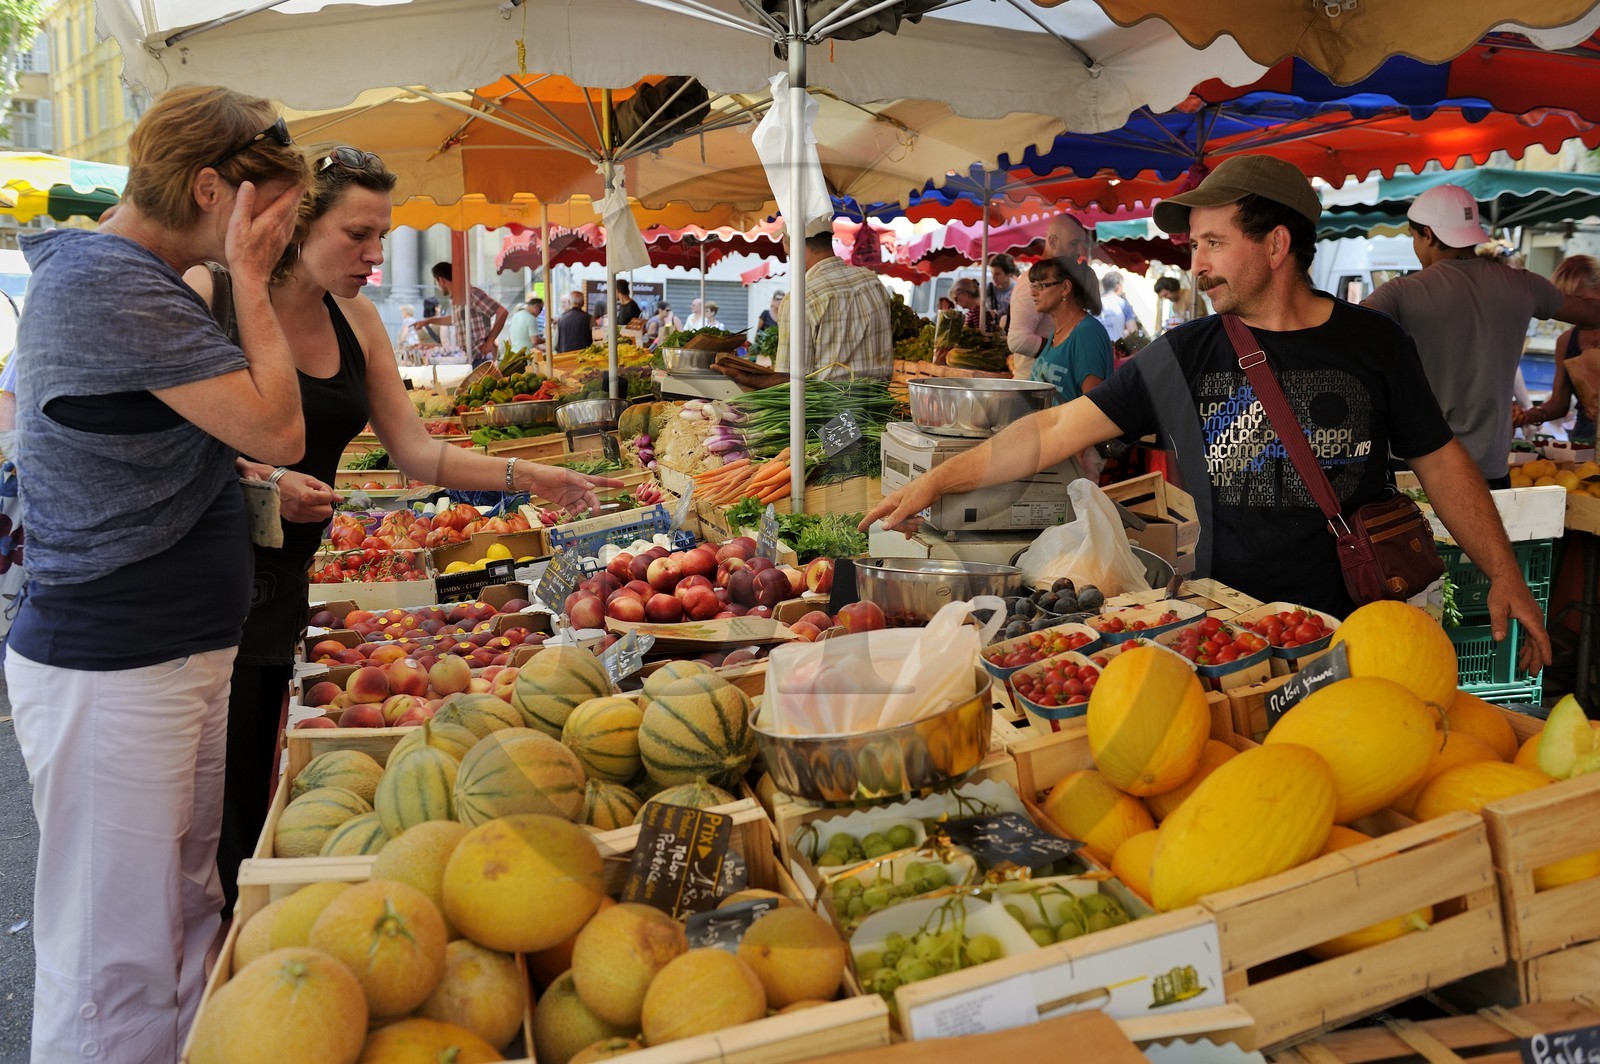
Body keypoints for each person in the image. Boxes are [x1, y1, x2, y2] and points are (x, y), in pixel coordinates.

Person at [865, 154, 1552, 674]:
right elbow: (1054, 429)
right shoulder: (1182, 355)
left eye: (1213, 243)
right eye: (1195, 246)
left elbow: (1439, 457)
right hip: (1231, 638)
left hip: (1357, 631)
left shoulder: (1373, 342)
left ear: (1277, 245)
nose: (1197, 265)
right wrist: (939, 479)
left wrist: (1503, 573)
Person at [187, 148, 620, 911]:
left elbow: (415, 451)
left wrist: (530, 476)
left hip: (289, 586)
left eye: (382, 236)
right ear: (296, 221)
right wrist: (258, 479)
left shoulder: (354, 318)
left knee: (256, 797)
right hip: (201, 591)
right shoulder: (211, 295)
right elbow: (163, 443)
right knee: (209, 822)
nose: (375, 255)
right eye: (358, 233)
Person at [6, 85, 309, 1063]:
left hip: (163, 650)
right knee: (112, 962)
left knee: (182, 916)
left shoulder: (133, 276)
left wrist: (249, 485)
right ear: (211, 186)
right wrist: (253, 282)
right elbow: (276, 421)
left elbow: (167, 438)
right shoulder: (110, 281)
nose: (276, 231)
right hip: (118, 657)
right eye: (266, 208)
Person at [1364, 184, 1600, 487]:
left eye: (1413, 237)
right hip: (1489, 467)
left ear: (1429, 234)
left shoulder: (1402, 292)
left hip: (1419, 467)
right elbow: (1591, 312)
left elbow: (1351, 327)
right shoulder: (1524, 285)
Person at [715, 225, 892, 390]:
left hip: (829, 419)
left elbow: (790, 383)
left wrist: (743, 377)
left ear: (794, 244)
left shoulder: (800, 299)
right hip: (878, 413)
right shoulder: (872, 282)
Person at [1517, 255, 1600, 441]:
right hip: (1584, 440)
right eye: (1567, 303)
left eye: (1580, 300)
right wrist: (1528, 416)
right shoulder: (1567, 340)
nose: (1573, 311)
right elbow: (1559, 402)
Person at [1008, 213, 1095, 378]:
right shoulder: (1031, 282)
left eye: (1081, 244)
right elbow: (1018, 340)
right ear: (1054, 241)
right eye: (1074, 243)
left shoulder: (1059, 280)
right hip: (1032, 391)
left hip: (1050, 388)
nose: (1079, 251)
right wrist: (1063, 352)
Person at [1028, 255, 1111, 405]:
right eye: (1033, 286)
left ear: (1065, 288)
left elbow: (1093, 405)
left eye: (1041, 285)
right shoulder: (1058, 330)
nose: (1033, 293)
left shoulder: (1087, 333)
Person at [413, 261, 508, 366]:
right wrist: (428, 321)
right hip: (468, 358)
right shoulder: (457, 299)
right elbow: (454, 319)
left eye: (436, 282)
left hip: (479, 357)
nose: (437, 287)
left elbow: (502, 312)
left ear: (441, 280)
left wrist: (490, 341)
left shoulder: (471, 294)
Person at [1096, 271, 1139, 341]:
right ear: (1117, 286)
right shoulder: (1123, 304)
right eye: (1122, 285)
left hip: (1097, 348)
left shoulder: (1094, 304)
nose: (1122, 288)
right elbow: (1133, 332)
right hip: (1115, 349)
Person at [987, 253, 1020, 330]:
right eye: (992, 273)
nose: (993, 277)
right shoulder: (988, 288)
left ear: (1008, 273)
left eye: (997, 274)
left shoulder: (1017, 289)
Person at [556, 288, 593, 354]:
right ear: (583, 303)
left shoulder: (561, 318)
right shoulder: (589, 318)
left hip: (564, 357)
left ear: (569, 302)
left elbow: (556, 343)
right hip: (584, 357)